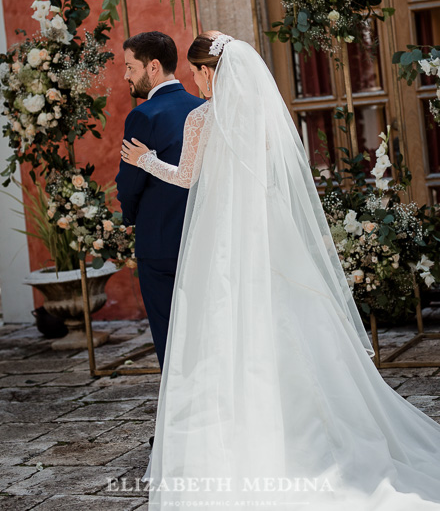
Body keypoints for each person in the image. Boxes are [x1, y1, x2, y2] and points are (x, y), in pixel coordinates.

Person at [121, 31, 440, 510]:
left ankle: (237, 433)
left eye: (197, 74)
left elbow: (186, 177)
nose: (195, 83)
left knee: (222, 326)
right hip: (264, 233)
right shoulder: (260, 115)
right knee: (285, 319)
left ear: (209, 72)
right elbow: (273, 176)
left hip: (220, 238)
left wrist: (145, 160)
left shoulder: (202, 118)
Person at [115, 31, 204, 380]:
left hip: (160, 242)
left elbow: (129, 183)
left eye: (129, 66)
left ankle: (178, 428)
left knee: (171, 338)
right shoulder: (202, 108)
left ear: (153, 67)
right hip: (203, 236)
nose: (125, 76)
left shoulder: (143, 116)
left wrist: (130, 216)